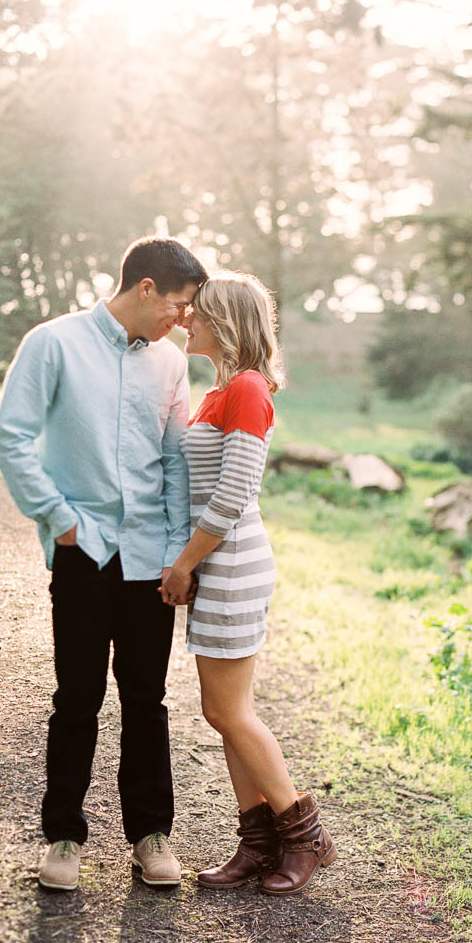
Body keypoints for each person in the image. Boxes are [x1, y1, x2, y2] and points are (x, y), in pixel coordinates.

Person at [0, 236, 207, 892]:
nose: (184, 320)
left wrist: (178, 552)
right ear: (145, 289)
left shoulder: (170, 363)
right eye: (178, 304)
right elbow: (11, 437)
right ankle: (63, 835)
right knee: (76, 696)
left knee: (148, 699)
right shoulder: (52, 343)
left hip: (149, 556)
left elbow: (173, 460)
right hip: (82, 552)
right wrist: (59, 519)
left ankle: (150, 834)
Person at [160, 271, 336, 896]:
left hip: (231, 561)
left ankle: (305, 835)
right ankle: (257, 843)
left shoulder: (249, 389)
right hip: (218, 561)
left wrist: (184, 563)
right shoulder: (219, 391)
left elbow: (234, 494)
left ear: (227, 322)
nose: (187, 321)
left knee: (226, 710)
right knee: (225, 712)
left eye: (198, 313)